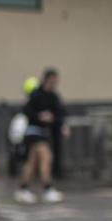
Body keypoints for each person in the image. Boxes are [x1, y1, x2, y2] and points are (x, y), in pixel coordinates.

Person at [15, 68, 67, 204]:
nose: (55, 83)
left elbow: (60, 112)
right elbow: (27, 111)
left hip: (43, 133)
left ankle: (23, 188)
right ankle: (47, 189)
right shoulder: (36, 95)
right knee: (46, 157)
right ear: (46, 79)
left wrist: (58, 122)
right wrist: (40, 116)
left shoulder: (53, 96)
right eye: (52, 80)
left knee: (31, 162)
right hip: (34, 132)